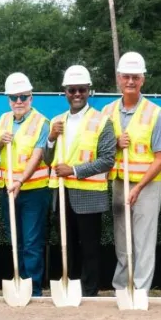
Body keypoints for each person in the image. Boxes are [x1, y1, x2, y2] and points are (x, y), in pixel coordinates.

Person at [45, 65, 115, 297]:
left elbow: (107, 160)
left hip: (89, 195)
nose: (77, 94)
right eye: (72, 89)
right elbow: (47, 159)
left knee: (90, 248)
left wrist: (73, 170)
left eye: (81, 90)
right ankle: (70, 287)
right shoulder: (56, 121)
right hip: (62, 194)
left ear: (88, 91)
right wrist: (51, 139)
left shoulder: (102, 121)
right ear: (65, 91)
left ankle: (89, 291)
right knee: (67, 246)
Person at [102, 52, 161, 294]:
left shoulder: (155, 113)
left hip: (147, 185)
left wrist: (139, 187)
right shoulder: (107, 112)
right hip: (120, 182)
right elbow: (100, 150)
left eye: (135, 77)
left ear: (143, 80)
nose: (130, 81)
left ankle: (140, 290)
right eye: (126, 76)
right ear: (119, 79)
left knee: (143, 239)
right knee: (122, 240)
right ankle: (122, 287)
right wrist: (115, 144)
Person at [0, 72, 52, 296]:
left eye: (23, 97)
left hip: (33, 191)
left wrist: (20, 180)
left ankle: (34, 288)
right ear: (9, 99)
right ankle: (18, 282)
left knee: (31, 241)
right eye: (14, 97)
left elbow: (38, 155)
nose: (18, 102)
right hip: (8, 190)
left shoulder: (42, 122)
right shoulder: (3, 120)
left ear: (31, 97)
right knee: (15, 239)